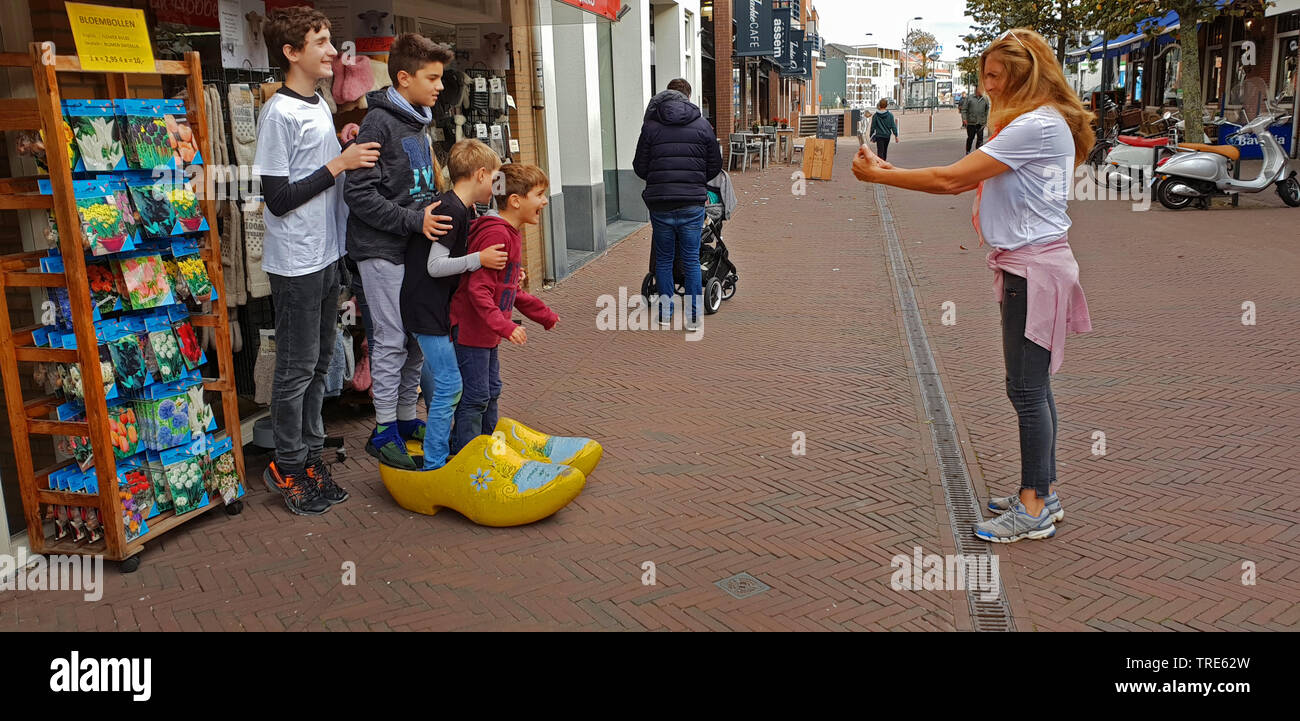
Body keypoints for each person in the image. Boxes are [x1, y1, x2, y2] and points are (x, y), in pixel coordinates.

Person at [852, 28, 1093, 543]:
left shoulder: (1033, 127)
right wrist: (891, 168)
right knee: (1034, 389)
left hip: (1033, 270)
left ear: (1022, 77)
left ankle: (1033, 507)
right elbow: (959, 173)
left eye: (993, 77)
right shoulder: (1040, 123)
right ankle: (1041, 491)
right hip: (1030, 264)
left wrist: (881, 179)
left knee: (1026, 392)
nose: (985, 88)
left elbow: (951, 180)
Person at [255, 7, 377, 515]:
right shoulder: (278, 114)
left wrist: (341, 147)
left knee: (321, 365)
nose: (334, 51)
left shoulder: (321, 103)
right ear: (291, 53)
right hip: (297, 263)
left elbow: (319, 174)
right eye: (322, 42)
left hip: (328, 255)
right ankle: (285, 464)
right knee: (296, 368)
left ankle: (307, 456)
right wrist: (338, 164)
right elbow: (277, 196)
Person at [344, 33, 455, 470]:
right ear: (404, 78)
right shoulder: (378, 123)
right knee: (390, 341)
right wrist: (414, 221)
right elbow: (360, 195)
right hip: (381, 252)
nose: (440, 86)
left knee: (412, 342)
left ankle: (406, 420)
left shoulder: (417, 120)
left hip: (412, 249)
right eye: (433, 77)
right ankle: (384, 430)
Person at [400, 139, 507, 470]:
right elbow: (436, 265)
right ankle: (434, 463)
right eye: (495, 179)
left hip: (434, 309)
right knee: (450, 384)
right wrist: (480, 259)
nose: (497, 186)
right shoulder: (451, 210)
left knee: (447, 382)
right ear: (479, 174)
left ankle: (441, 453)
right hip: (426, 310)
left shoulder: (460, 209)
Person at [448, 163, 559, 455]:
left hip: (486, 331)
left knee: (491, 390)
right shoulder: (497, 234)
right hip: (472, 330)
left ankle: (487, 447)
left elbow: (509, 289)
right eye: (540, 194)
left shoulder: (509, 233)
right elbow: (478, 289)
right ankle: (466, 454)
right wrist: (506, 326)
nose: (545, 201)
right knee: (475, 395)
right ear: (515, 200)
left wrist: (543, 315)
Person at [633, 78, 723, 330]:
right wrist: (695, 180)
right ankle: (693, 318)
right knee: (691, 259)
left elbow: (639, 166)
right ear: (688, 96)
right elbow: (714, 165)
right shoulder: (702, 125)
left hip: (660, 204)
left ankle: (664, 313)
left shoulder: (650, 126)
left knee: (663, 259)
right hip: (691, 203)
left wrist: (659, 179)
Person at [962, 87, 990, 154]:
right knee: (970, 137)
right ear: (977, 90)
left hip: (981, 122)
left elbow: (987, 109)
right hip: (971, 122)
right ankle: (968, 150)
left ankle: (978, 152)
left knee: (980, 138)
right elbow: (964, 109)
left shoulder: (985, 99)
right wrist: (964, 119)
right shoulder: (969, 98)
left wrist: (986, 119)